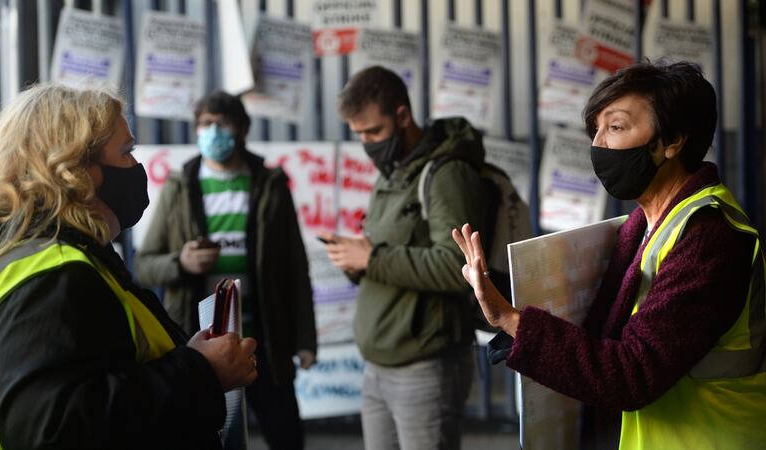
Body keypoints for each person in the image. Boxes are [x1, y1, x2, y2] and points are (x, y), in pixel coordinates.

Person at [453, 61, 766, 450]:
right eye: (595, 130)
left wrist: (511, 319)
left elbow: (632, 373)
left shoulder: (707, 235)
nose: (598, 145)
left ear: (672, 141)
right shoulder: (645, 223)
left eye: (615, 127)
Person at [0, 84, 258, 450]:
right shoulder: (50, 275)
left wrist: (192, 358)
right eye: (126, 152)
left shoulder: (28, 258)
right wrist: (201, 373)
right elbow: (52, 430)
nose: (136, 167)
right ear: (76, 171)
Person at [135, 90, 316, 450]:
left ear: (242, 129)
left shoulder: (270, 184)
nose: (213, 132)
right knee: (213, 437)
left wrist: (305, 341)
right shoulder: (180, 186)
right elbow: (144, 265)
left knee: (285, 435)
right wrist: (181, 263)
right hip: (201, 348)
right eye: (205, 124)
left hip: (263, 342)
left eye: (222, 123)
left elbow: (295, 267)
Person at [319, 66, 486, 450]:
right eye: (359, 135)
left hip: (425, 370)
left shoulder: (446, 174)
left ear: (402, 115)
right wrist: (355, 262)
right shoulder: (393, 172)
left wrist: (372, 258)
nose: (367, 143)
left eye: (373, 132)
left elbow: (456, 267)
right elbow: (388, 253)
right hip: (378, 368)